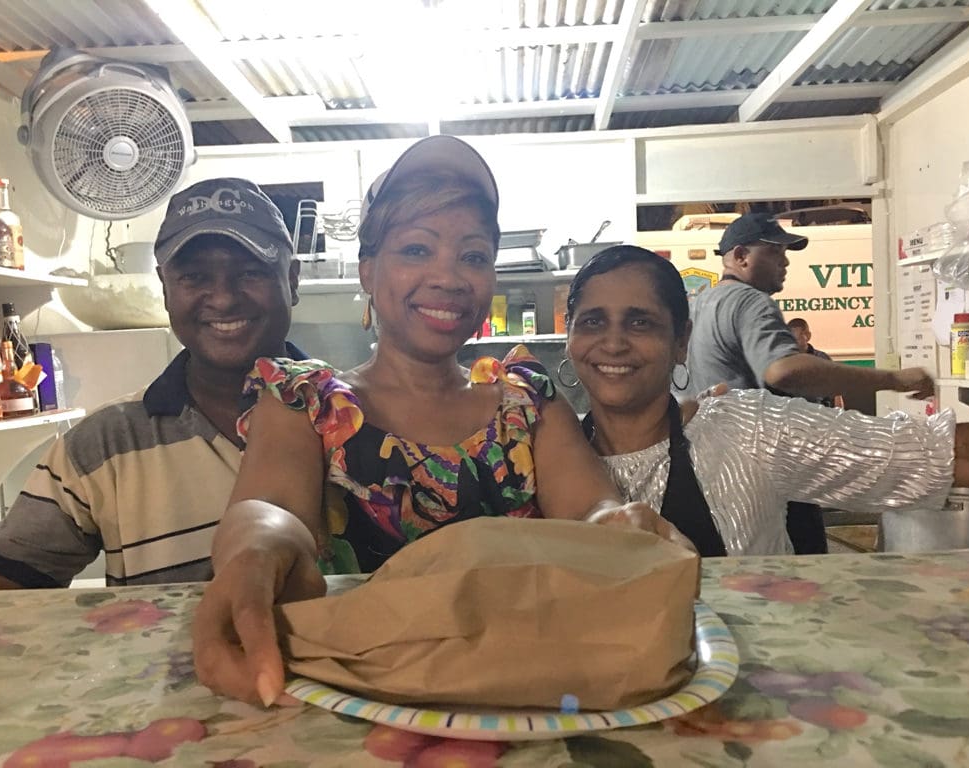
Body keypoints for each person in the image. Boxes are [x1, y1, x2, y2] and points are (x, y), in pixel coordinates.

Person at [192, 136, 681, 707]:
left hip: (520, 688)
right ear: (368, 271)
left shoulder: (525, 404)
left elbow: (591, 512)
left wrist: (619, 524)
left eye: (472, 256)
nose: (449, 277)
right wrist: (255, 547)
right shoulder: (306, 401)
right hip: (361, 697)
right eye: (418, 250)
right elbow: (272, 509)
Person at [0, 177, 307, 589]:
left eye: (251, 272)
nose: (222, 298)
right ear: (165, 286)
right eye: (194, 277)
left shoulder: (359, 419)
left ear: (291, 280)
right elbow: (5, 576)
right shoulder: (103, 443)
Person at [565, 244, 969, 558]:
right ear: (570, 339)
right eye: (593, 321)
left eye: (641, 322)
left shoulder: (749, 430)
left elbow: (945, 455)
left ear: (681, 341)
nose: (614, 343)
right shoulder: (536, 456)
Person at [684, 213, 934, 553]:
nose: (785, 261)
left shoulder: (702, 304)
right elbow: (784, 371)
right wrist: (892, 379)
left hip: (714, 471)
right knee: (801, 575)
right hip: (767, 465)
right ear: (741, 256)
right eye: (774, 252)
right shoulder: (750, 301)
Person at [786, 317, 844, 408]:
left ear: (808, 336)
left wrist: (840, 416)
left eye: (796, 339)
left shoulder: (822, 359)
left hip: (818, 415)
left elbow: (836, 394)